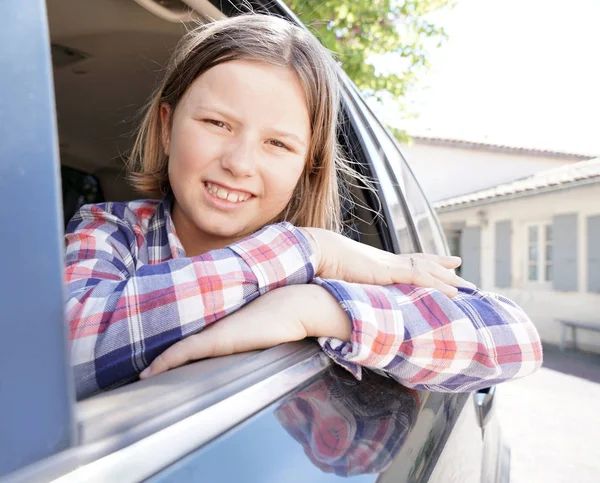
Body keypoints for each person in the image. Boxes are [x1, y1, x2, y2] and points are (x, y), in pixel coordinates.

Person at [64, 14, 542, 400]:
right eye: (216, 123)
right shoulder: (108, 231)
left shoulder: (345, 276)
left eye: (277, 143)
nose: (239, 163)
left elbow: (514, 338)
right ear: (168, 128)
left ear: (307, 167)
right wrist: (303, 248)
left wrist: (315, 306)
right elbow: (66, 349)